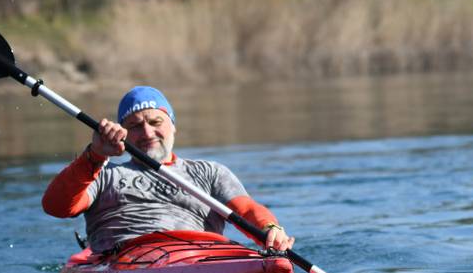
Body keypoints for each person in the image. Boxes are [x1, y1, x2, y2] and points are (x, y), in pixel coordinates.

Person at [42, 86, 295, 254]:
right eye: (136, 126)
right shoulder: (104, 175)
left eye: (155, 122)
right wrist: (94, 155)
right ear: (122, 134)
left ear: (173, 126)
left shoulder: (210, 172)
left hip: (198, 258)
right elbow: (57, 207)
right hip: (123, 262)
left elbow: (247, 210)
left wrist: (270, 229)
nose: (147, 133)